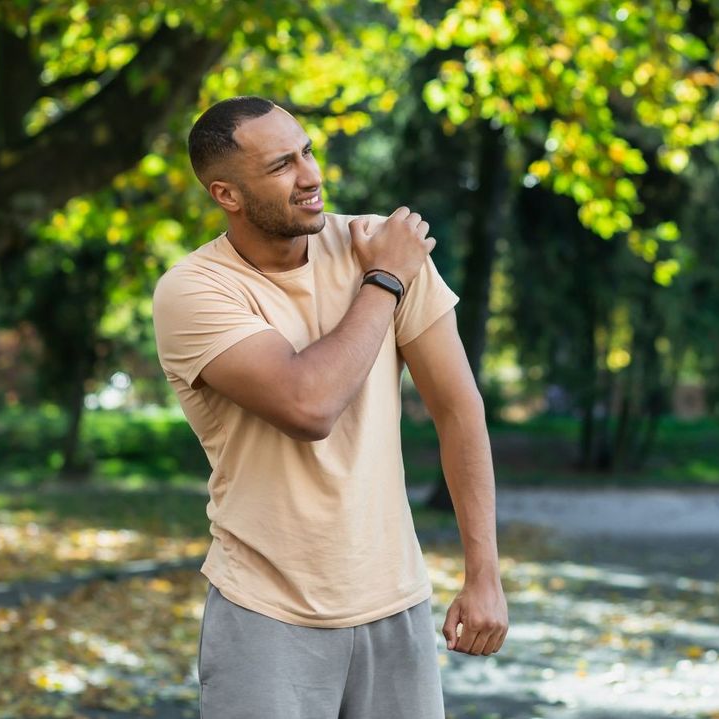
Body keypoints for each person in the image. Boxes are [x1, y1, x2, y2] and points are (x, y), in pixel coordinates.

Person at [152, 96, 507, 719]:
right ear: (227, 195)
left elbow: (458, 410)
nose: (312, 175)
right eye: (282, 165)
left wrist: (484, 575)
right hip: (265, 612)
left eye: (308, 151)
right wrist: (386, 282)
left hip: (395, 603)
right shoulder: (195, 290)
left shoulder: (375, 246)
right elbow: (309, 406)